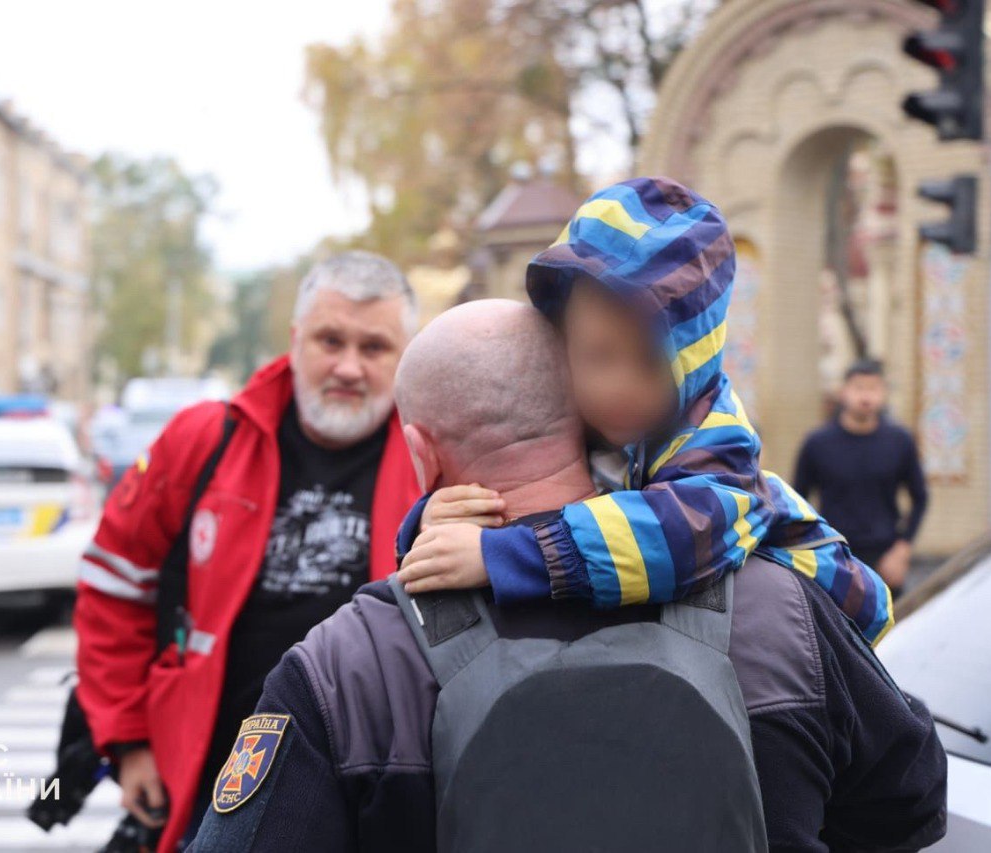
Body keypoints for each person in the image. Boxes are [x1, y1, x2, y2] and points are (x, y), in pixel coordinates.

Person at [189, 300, 947, 852]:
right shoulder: (778, 606)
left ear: (421, 454)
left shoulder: (348, 663)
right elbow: (911, 801)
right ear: (591, 419)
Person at [397, 178, 894, 644]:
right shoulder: (589, 420)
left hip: (835, 612)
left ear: (696, 360)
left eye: (654, 363)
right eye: (598, 356)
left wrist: (499, 557)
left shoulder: (716, 437)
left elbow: (673, 540)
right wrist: (432, 523)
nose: (621, 388)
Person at [73, 251, 422, 852]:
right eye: (330, 341)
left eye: (374, 347)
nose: (348, 367)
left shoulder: (435, 456)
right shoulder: (204, 440)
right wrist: (129, 741)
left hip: (373, 789)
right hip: (209, 783)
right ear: (295, 339)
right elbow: (114, 587)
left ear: (404, 357)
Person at [794, 359, 929, 596]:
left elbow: (920, 498)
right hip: (833, 556)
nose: (866, 396)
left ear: (884, 393)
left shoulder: (899, 441)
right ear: (844, 392)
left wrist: (902, 549)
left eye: (873, 388)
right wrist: (811, 552)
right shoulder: (817, 443)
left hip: (885, 558)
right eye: (859, 388)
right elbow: (797, 501)